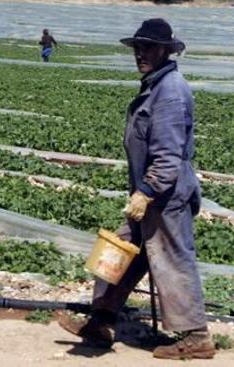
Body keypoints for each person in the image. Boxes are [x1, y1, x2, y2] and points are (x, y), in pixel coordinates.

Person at [59, 18, 214, 360]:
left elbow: (169, 157)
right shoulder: (154, 87)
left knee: (173, 261)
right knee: (120, 252)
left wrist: (146, 192)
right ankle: (101, 321)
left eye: (149, 48)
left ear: (165, 51)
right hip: (147, 196)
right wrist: (141, 194)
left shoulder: (170, 92)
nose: (141, 54)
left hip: (166, 197)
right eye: (138, 48)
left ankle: (197, 336)